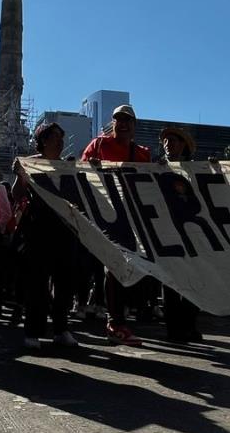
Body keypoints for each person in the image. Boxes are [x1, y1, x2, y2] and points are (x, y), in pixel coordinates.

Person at [80, 104, 152, 346]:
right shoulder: (98, 145)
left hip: (132, 221)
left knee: (126, 269)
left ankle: (118, 315)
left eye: (127, 120)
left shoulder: (143, 154)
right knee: (112, 267)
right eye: (118, 119)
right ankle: (115, 321)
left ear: (134, 125)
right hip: (102, 217)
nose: (122, 124)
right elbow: (80, 174)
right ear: (112, 123)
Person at [15, 122, 80, 349]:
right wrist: (21, 175)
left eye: (61, 138)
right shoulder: (31, 163)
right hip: (38, 229)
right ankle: (33, 331)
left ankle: (61, 329)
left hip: (65, 230)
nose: (60, 142)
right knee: (37, 283)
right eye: (55, 138)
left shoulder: (67, 166)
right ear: (43, 141)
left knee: (65, 282)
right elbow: (17, 194)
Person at [158, 126, 203, 343]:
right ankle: (174, 328)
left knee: (195, 279)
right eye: (166, 140)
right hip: (166, 231)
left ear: (183, 145)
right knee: (171, 282)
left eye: (174, 140)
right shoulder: (153, 168)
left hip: (192, 232)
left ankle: (190, 324)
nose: (169, 143)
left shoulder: (195, 169)